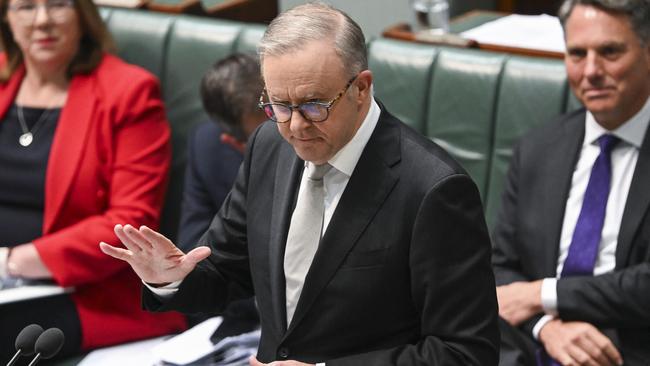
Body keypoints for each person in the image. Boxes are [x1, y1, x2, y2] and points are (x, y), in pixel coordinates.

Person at [101, 3, 499, 365]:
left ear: (361, 88)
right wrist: (168, 277)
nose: (294, 127)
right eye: (278, 105)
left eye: (313, 105)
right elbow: (227, 269)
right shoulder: (268, 145)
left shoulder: (434, 190)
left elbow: (465, 353)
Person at [0, 0, 185, 360]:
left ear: (83, 14)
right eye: (25, 7)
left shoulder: (128, 92)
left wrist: (11, 263)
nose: (42, 21)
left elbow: (130, 223)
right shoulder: (4, 79)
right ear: (6, 18)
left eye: (57, 5)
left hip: (85, 289)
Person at [492, 0, 650, 365]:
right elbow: (499, 268)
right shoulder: (537, 149)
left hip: (626, 347)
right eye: (577, 54)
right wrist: (546, 325)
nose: (591, 70)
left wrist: (544, 294)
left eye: (610, 52)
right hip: (530, 345)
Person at [179, 53, 265, 337]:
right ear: (234, 143)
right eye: (265, 132)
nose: (292, 130)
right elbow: (196, 260)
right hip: (241, 323)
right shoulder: (207, 147)